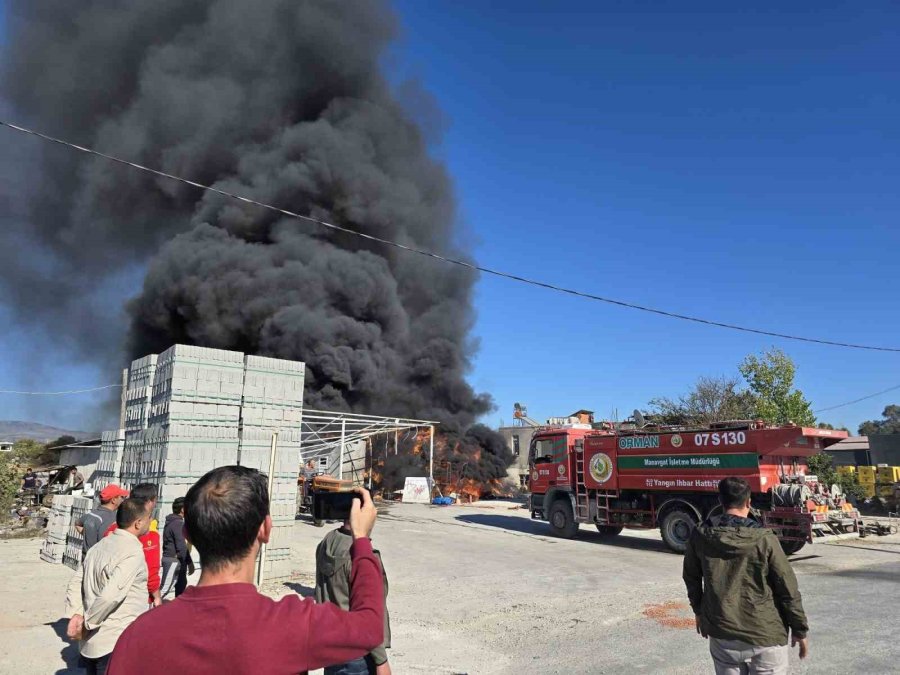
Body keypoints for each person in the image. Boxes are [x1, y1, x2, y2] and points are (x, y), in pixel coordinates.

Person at [108, 466, 384, 674]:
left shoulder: (138, 636)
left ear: (187, 533)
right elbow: (370, 627)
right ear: (265, 530)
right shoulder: (293, 626)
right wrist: (361, 540)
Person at [683, 477, 810, 675]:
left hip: (723, 633)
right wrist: (799, 628)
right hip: (765, 634)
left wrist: (699, 611)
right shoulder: (765, 538)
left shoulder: (700, 535)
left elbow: (691, 577)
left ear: (720, 501)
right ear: (749, 502)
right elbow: (787, 586)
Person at [65, 498, 151, 675]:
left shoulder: (99, 546)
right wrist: (87, 623)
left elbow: (76, 582)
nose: (151, 521)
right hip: (115, 641)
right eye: (149, 517)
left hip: (93, 643)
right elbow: (111, 596)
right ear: (138, 522)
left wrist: (76, 613)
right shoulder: (131, 553)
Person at [316, 519, 392, 675]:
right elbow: (368, 615)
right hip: (359, 656)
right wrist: (381, 660)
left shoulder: (328, 541)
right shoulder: (363, 556)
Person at [104, 483, 162, 607]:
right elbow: (150, 570)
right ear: (151, 501)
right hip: (135, 598)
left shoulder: (113, 527)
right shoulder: (148, 532)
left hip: (108, 592)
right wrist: (156, 596)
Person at [75, 485, 128, 552]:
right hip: (100, 560)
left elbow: (77, 524)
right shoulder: (111, 518)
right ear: (114, 500)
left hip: (87, 559)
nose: (123, 500)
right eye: (122, 497)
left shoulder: (92, 513)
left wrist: (88, 535)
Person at [160, 497, 194, 599]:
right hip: (174, 560)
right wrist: (189, 562)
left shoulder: (172, 522)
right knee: (164, 590)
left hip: (175, 560)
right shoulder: (177, 524)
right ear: (183, 509)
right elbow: (181, 547)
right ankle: (153, 612)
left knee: (180, 587)